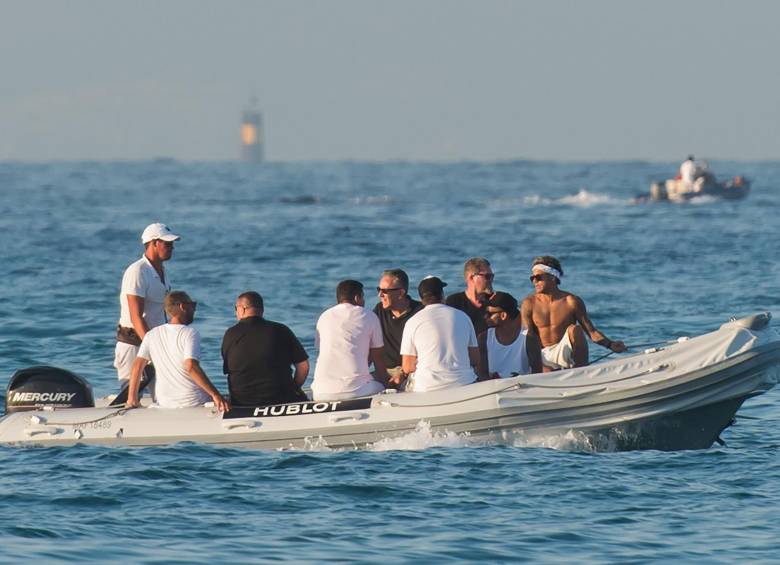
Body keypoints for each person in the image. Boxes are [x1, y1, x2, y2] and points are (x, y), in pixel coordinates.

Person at [126, 291, 229, 411]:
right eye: (193, 305)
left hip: (164, 402)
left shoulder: (151, 334)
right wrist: (215, 394)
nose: (194, 310)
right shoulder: (190, 333)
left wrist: (132, 398)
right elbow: (190, 366)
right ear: (182, 306)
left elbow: (137, 365)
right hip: (192, 401)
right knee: (227, 398)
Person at [521, 256, 626, 372]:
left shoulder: (572, 301)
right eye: (532, 278)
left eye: (538, 277)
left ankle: (580, 373)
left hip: (564, 352)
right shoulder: (529, 303)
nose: (535, 281)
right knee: (528, 338)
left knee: (575, 329)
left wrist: (610, 344)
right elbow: (527, 339)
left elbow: (592, 332)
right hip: (541, 355)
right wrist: (538, 366)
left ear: (552, 277)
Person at [114, 223, 180, 388]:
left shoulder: (163, 271)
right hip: (133, 344)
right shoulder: (137, 271)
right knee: (130, 395)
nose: (172, 247)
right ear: (154, 243)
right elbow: (136, 316)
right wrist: (152, 347)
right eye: (167, 243)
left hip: (154, 342)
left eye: (172, 244)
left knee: (164, 392)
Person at [221, 291, 309, 406]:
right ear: (262, 310)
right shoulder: (281, 330)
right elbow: (304, 366)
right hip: (282, 399)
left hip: (242, 403)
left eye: (235, 308)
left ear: (242, 309)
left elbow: (230, 370)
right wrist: (294, 388)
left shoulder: (230, 334)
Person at [311, 280, 388, 401]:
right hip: (355, 390)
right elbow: (378, 358)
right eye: (363, 297)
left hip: (320, 392)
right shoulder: (369, 316)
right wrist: (388, 384)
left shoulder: (324, 316)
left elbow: (323, 350)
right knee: (381, 386)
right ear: (357, 298)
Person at [399, 276, 479, 392]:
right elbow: (475, 359)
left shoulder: (412, 322)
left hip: (426, 386)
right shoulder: (463, 316)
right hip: (464, 382)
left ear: (421, 299)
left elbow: (407, 367)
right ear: (442, 295)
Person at [372, 268, 423, 386]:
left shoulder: (420, 312)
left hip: (413, 370)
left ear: (401, 293)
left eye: (385, 291)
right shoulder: (379, 310)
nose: (380, 294)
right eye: (379, 289)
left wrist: (403, 372)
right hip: (385, 372)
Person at [476, 291, 542, 380]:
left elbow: (537, 375)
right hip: (493, 390)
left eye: (490, 314)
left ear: (503, 315)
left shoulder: (529, 339)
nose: (485, 317)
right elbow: (482, 373)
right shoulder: (483, 338)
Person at [445, 257, 495, 335]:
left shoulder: (496, 301)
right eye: (487, 276)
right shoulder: (454, 303)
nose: (491, 280)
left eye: (492, 276)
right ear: (471, 278)